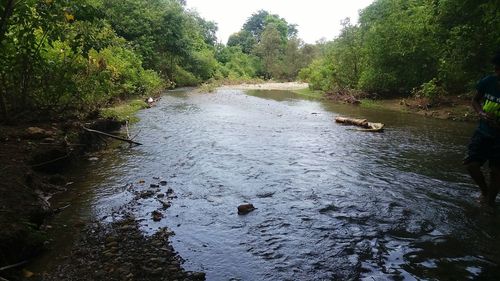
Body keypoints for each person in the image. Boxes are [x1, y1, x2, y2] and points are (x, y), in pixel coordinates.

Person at [464, 53, 500, 209]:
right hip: (483, 131)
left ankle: (490, 203)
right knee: (471, 165)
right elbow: (475, 100)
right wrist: (481, 113)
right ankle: (485, 192)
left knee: (496, 172)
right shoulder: (487, 82)